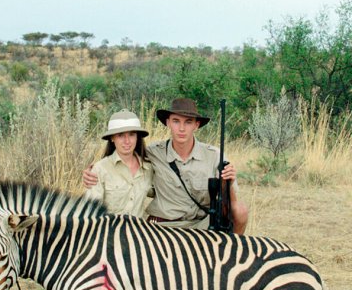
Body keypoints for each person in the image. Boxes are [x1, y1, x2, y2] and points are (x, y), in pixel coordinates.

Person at [83, 98, 248, 234]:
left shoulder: (214, 156)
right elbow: (123, 157)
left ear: (196, 125)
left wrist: (229, 180)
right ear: (168, 122)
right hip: (164, 227)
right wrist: (91, 173)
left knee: (240, 211)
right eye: (176, 121)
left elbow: (229, 202)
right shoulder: (153, 153)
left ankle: (233, 252)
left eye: (188, 122)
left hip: (202, 224)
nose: (181, 128)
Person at [84, 109, 154, 216]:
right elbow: (91, 213)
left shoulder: (148, 168)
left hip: (138, 226)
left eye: (131, 134)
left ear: (137, 137)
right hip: (109, 226)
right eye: (120, 135)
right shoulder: (99, 169)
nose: (127, 141)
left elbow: (161, 192)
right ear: (112, 138)